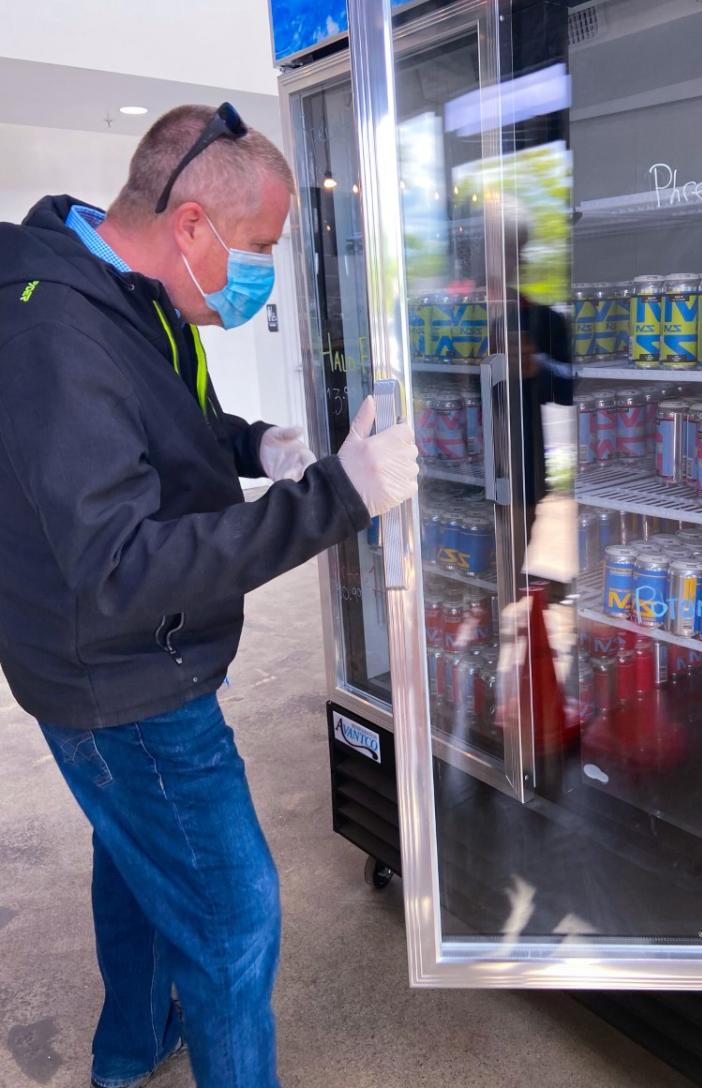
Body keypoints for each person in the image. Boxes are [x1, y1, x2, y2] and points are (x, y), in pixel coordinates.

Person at [0, 103, 418, 1088]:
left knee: (142, 863)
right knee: (234, 918)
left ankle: (132, 1051)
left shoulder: (121, 289)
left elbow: (165, 425)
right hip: (125, 680)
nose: (263, 270)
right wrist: (337, 495)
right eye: (260, 246)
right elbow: (124, 565)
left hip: (116, 661)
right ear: (190, 225)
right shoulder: (58, 333)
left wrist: (255, 445)